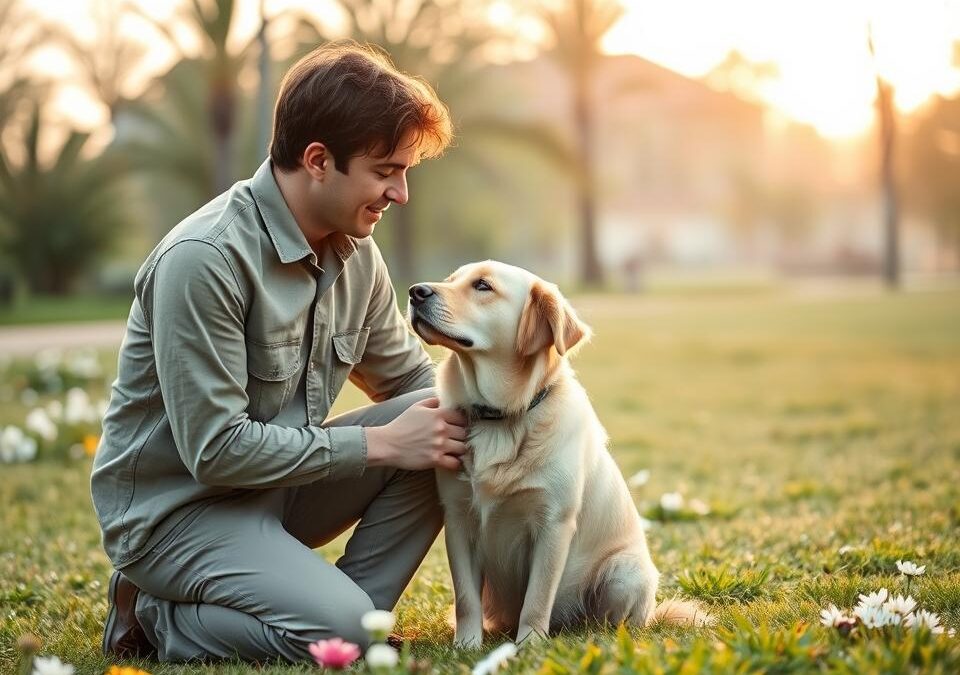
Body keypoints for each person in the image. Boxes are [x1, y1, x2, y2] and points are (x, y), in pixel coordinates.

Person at [91, 41, 469, 664]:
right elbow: (214, 451)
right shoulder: (205, 260)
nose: (401, 193)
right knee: (348, 628)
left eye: (405, 172)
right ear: (318, 160)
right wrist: (379, 444)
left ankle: (344, 624)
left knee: (441, 421)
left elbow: (413, 383)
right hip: (177, 515)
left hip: (278, 490)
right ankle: (157, 615)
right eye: (385, 171)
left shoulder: (356, 254)